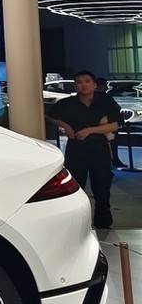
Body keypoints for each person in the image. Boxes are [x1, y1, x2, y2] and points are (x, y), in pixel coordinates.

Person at [47, 69, 121, 229]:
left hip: (99, 147)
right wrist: (65, 126)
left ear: (94, 84)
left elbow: (115, 124)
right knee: (74, 187)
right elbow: (50, 116)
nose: (83, 85)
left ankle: (103, 222)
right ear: (75, 86)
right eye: (79, 82)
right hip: (76, 148)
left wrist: (89, 130)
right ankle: (76, 223)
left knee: (102, 187)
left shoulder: (105, 101)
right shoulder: (67, 103)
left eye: (87, 81)